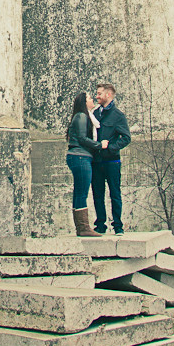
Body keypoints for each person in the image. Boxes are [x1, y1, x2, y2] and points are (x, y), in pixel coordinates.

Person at [90, 82, 131, 235]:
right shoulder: (94, 114)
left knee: (115, 193)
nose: (97, 96)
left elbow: (126, 138)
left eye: (99, 94)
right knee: (97, 194)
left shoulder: (118, 116)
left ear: (108, 95)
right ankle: (100, 225)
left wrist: (111, 147)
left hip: (112, 161)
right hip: (96, 161)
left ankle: (118, 226)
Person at [65, 91, 107, 237]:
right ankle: (83, 228)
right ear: (84, 102)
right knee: (82, 192)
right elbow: (82, 138)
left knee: (79, 192)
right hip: (81, 157)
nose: (92, 99)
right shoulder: (82, 116)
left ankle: (81, 227)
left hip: (78, 157)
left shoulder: (81, 116)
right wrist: (99, 145)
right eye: (89, 98)